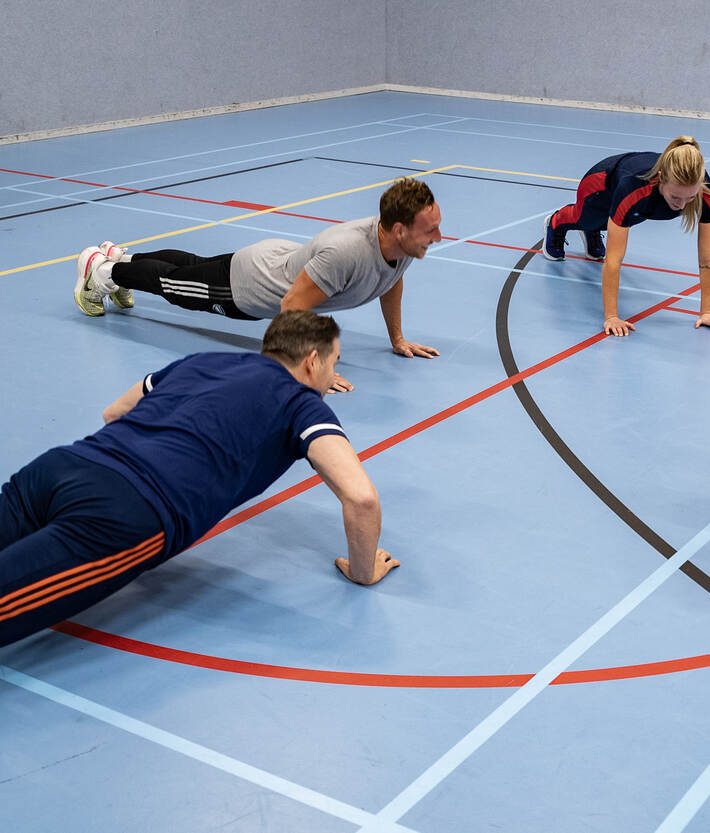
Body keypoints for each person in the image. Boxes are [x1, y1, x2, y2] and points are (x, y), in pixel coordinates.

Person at [0, 310, 400, 649]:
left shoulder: (203, 361)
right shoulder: (302, 405)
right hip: (124, 515)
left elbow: (112, 414)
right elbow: (361, 497)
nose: (333, 375)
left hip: (60, 468)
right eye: (334, 363)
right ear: (312, 361)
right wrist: (363, 572)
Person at [72, 178, 445, 391]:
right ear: (399, 229)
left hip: (271, 258)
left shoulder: (402, 245)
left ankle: (121, 257)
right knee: (174, 285)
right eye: (431, 230)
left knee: (191, 266)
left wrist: (397, 338)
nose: (438, 236)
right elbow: (292, 307)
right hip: (247, 288)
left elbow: (390, 280)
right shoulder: (347, 253)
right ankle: (102, 273)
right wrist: (309, 369)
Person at [542, 136, 710, 337]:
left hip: (640, 199)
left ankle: (594, 230)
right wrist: (612, 316)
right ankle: (555, 223)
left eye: (691, 198)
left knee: (623, 219)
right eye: (675, 197)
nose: (682, 206)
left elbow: (707, 256)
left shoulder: (707, 192)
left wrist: (707, 313)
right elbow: (614, 259)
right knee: (584, 219)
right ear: (661, 178)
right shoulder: (634, 188)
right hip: (601, 184)